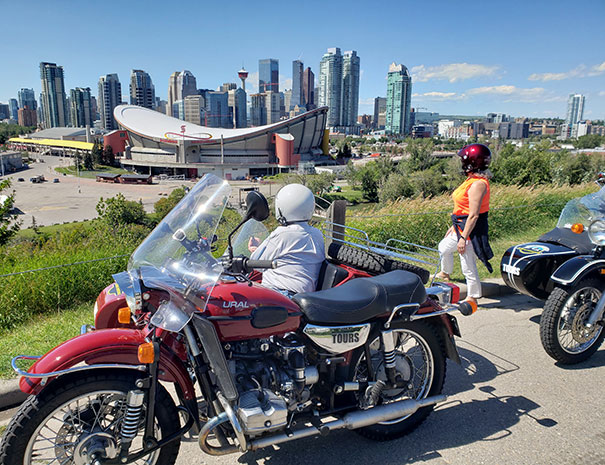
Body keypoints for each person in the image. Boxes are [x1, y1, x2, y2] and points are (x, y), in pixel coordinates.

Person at [436, 143, 494, 305]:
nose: (461, 161)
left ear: (472, 162)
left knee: (467, 263)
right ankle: (445, 273)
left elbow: (474, 215)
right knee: (444, 247)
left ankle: (473, 297)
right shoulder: (472, 180)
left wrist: (463, 237)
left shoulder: (478, 184)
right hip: (461, 226)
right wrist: (454, 227)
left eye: (463, 159)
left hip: (471, 230)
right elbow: (463, 208)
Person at [249, 183, 325, 297]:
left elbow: (254, 264)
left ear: (281, 208)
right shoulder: (317, 234)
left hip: (279, 293)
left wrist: (253, 249)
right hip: (302, 295)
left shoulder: (283, 234)